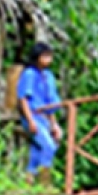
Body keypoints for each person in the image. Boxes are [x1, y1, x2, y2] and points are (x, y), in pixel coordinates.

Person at [17, 42, 63, 179]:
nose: (49, 59)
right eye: (45, 56)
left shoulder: (48, 76)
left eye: (50, 56)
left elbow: (50, 102)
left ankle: (29, 180)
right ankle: (44, 181)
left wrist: (54, 124)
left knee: (38, 149)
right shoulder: (29, 74)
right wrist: (31, 121)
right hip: (33, 115)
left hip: (45, 117)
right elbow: (24, 99)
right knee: (49, 146)